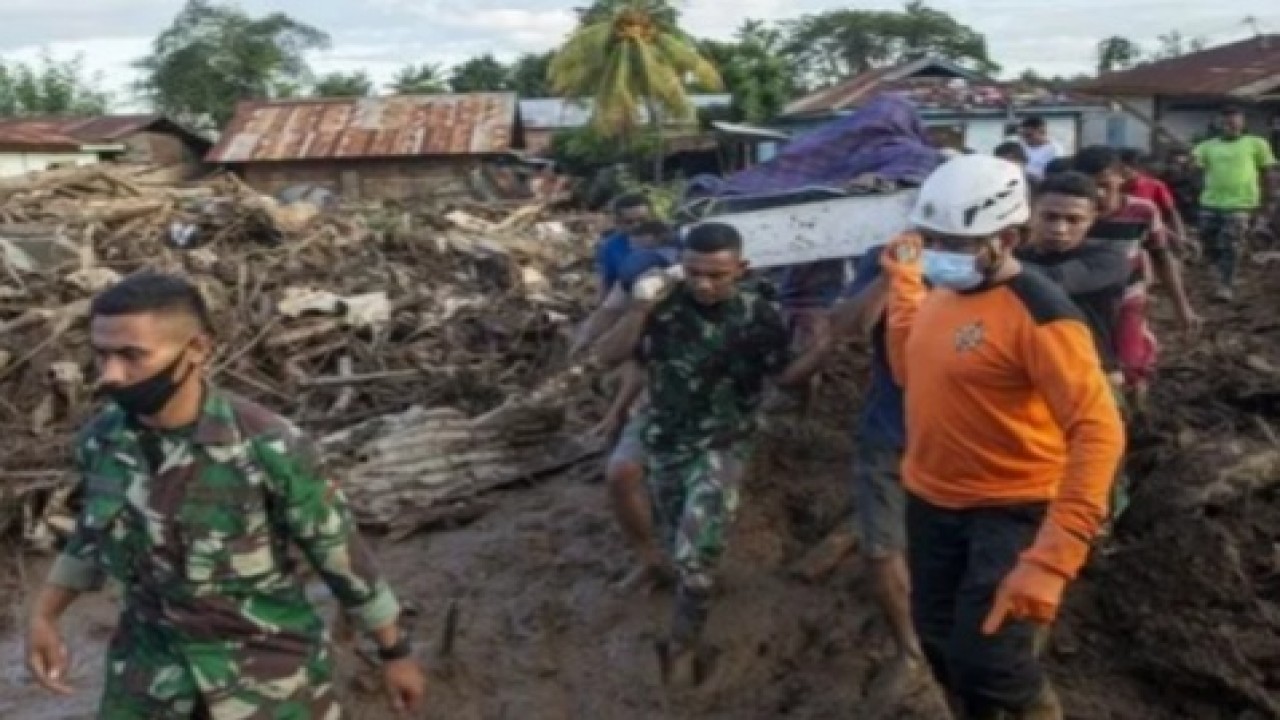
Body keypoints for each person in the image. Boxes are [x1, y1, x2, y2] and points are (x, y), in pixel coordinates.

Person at [25, 272, 427, 719]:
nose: (111, 375)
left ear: (196, 350)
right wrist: (45, 617)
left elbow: (338, 553)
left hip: (266, 678)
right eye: (101, 356)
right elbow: (91, 534)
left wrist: (396, 653)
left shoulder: (269, 446)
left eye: (131, 356)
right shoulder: (102, 441)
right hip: (149, 675)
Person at [881, 154, 1125, 720]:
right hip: (933, 501)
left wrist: (1053, 558)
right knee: (941, 647)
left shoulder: (1043, 315)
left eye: (957, 242)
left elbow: (1097, 431)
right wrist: (903, 290)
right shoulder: (942, 292)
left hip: (1013, 508)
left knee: (993, 662)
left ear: (1008, 238)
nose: (940, 251)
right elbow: (908, 371)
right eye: (930, 237)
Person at [590, 223, 832, 687]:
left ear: (741, 269)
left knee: (696, 560)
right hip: (664, 439)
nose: (705, 284)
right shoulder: (662, 305)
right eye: (696, 273)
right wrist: (641, 308)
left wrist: (819, 351)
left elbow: (781, 378)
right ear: (682, 267)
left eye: (718, 276)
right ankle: (664, 571)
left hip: (721, 444)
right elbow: (608, 355)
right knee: (670, 531)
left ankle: (683, 643)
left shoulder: (757, 314)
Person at [829, 247, 923, 698]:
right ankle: (909, 650)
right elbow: (846, 328)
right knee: (881, 548)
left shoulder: (998, 259)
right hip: (889, 428)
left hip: (967, 439)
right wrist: (892, 276)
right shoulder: (887, 257)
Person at [1074, 145, 1202, 401]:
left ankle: (1137, 409)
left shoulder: (1143, 211)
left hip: (1128, 294)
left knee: (1131, 365)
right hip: (1083, 300)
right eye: (1090, 187)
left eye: (1104, 185)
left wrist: (1182, 307)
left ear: (1122, 176)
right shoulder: (1075, 215)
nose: (1099, 195)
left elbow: (1162, 257)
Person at [1193, 106, 1278, 299]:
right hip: (1210, 203)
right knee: (1208, 242)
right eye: (1226, 121)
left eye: (1234, 121)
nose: (1230, 125)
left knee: (1230, 243)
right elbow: (1195, 169)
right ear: (1219, 124)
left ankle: (1225, 285)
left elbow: (1268, 172)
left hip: (1241, 204)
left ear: (1242, 123)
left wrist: (1269, 200)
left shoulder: (1256, 144)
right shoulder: (1206, 146)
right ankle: (1217, 275)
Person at [1117, 148, 1190, 255]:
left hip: (1150, 233)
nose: (1126, 171)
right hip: (1120, 234)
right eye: (1122, 168)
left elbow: (1172, 213)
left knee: (1164, 254)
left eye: (1131, 167)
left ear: (1139, 168)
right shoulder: (1114, 187)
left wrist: (1181, 237)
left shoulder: (1155, 186)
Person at [594, 193, 655, 301]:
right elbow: (605, 283)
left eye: (642, 220)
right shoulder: (609, 247)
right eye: (629, 222)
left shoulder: (670, 239)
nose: (637, 226)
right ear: (618, 223)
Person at [1016, 116, 1063, 182]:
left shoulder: (1055, 150)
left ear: (1042, 131)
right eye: (1022, 135)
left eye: (1028, 135)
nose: (1024, 138)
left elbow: (1056, 173)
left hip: (1043, 184)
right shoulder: (1019, 145)